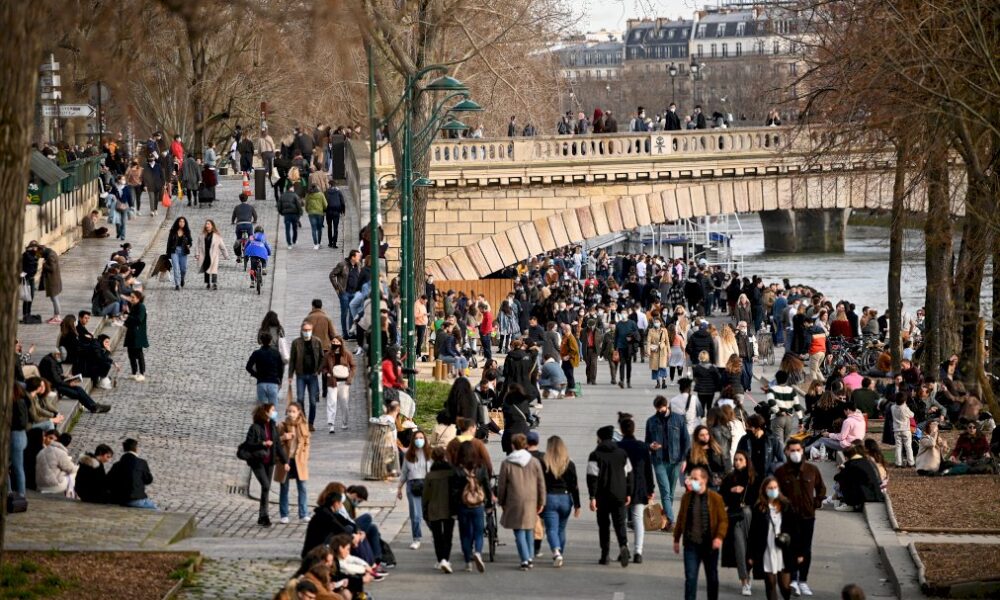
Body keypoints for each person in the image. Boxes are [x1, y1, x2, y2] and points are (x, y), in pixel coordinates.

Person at [774, 439, 825, 596]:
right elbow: (776, 491)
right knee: (791, 548)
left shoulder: (811, 470)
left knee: (805, 549)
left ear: (802, 451)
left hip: (807, 516)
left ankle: (803, 580)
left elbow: (821, 488)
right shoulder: (781, 472)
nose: (795, 453)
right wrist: (783, 502)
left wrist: (816, 502)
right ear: (787, 452)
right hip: (788, 517)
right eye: (792, 450)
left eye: (798, 450)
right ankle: (793, 579)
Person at [674, 465, 728, 600]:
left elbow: (723, 520)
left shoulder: (715, 498)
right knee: (690, 578)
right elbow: (680, 518)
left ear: (704, 480)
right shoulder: (686, 498)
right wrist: (676, 539)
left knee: (712, 578)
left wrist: (719, 537)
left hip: (709, 545)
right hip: (691, 545)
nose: (691, 481)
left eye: (695, 479)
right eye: (691, 478)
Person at [748, 476, 803, 600]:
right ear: (764, 490)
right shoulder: (759, 508)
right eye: (770, 488)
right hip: (767, 550)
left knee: (785, 586)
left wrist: (799, 552)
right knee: (770, 584)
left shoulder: (786, 505)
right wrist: (750, 555)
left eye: (775, 487)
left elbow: (795, 531)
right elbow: (753, 533)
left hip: (784, 550)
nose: (773, 490)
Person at [587, 425, 633, 567]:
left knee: (604, 525)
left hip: (602, 496)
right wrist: (629, 493)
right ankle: (623, 545)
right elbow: (629, 474)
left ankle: (605, 554)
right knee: (620, 523)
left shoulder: (595, 455)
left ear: (600, 438)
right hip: (619, 494)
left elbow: (592, 478)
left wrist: (592, 497)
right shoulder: (622, 453)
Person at [499, 433, 546, 571]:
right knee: (529, 528)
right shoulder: (534, 461)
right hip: (531, 499)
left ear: (513, 445)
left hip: (514, 499)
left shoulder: (507, 463)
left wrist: (501, 501)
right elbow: (541, 483)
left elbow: (502, 485)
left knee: (518, 530)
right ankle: (529, 556)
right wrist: (542, 501)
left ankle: (525, 559)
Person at [647, 394, 691, 529]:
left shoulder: (678, 419)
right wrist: (651, 445)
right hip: (658, 460)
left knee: (670, 492)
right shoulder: (651, 421)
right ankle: (672, 520)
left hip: (676, 461)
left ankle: (666, 521)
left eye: (662, 409)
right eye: (657, 409)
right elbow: (647, 441)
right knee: (665, 491)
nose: (660, 411)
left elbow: (686, 441)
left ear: (667, 406)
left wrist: (684, 459)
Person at [242, 403, 288, 526]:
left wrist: (285, 461)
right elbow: (248, 444)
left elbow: (277, 445)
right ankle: (265, 515)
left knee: (265, 489)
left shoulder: (273, 426)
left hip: (270, 462)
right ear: (266, 412)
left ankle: (262, 516)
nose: (274, 412)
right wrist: (262, 443)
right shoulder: (255, 427)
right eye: (272, 410)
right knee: (266, 485)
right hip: (257, 462)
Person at [538, 435, 580, 568]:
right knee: (561, 529)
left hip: (550, 497)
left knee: (551, 529)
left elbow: (540, 484)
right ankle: (560, 552)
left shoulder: (544, 463)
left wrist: (539, 501)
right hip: (565, 498)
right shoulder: (569, 463)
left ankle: (556, 552)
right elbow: (574, 486)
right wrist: (577, 505)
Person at [617, 418, 654, 563]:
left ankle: (624, 548)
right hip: (639, 486)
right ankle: (638, 551)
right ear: (634, 429)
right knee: (638, 519)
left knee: (622, 520)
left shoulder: (618, 446)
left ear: (621, 430)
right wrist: (650, 488)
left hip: (621, 486)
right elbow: (648, 469)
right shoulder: (642, 447)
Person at [721, 450, 755, 596]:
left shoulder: (753, 478)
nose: (737, 462)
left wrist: (743, 492)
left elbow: (757, 499)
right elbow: (722, 497)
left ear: (747, 461)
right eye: (735, 459)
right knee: (740, 548)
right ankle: (744, 581)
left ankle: (748, 574)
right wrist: (732, 491)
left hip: (752, 520)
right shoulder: (729, 478)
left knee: (750, 549)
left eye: (740, 459)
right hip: (735, 518)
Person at [455, 440, 491, 573]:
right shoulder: (481, 467)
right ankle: (478, 552)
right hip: (478, 504)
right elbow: (486, 485)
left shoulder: (457, 469)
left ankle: (468, 562)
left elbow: (453, 490)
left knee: (465, 534)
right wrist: (489, 503)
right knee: (478, 532)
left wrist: (453, 507)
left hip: (463, 505)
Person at [423, 446, 458, 573]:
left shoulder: (430, 475)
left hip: (433, 508)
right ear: (445, 457)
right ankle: (445, 559)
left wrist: (425, 510)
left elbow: (425, 495)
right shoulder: (451, 473)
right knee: (448, 536)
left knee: (437, 536)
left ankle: (440, 559)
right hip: (449, 508)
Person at [276, 402, 311, 524]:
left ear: (299, 412)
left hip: (299, 460)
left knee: (302, 487)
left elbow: (307, 442)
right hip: (286, 460)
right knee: (284, 487)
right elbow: (275, 443)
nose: (291, 414)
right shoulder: (282, 425)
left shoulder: (304, 425)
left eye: (293, 411)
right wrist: (283, 437)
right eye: (289, 411)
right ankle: (284, 514)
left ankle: (304, 513)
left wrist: (305, 457)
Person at [398, 430, 431, 550]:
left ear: (425, 439)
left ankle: (437, 533)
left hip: (427, 485)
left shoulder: (429, 453)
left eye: (421, 438)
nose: (419, 440)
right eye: (416, 438)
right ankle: (416, 538)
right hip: (412, 485)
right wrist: (399, 488)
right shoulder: (408, 455)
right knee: (415, 515)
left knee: (429, 514)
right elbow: (404, 473)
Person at [290, 322, 324, 431]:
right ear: (301, 330)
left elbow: (322, 357)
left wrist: (319, 370)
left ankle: (311, 423)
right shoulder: (296, 343)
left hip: (313, 375)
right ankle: (303, 420)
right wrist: (290, 375)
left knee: (313, 401)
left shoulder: (317, 341)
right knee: (300, 399)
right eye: (305, 330)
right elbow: (292, 360)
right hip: (300, 375)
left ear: (312, 330)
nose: (307, 332)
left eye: (308, 330)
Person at [108, 438, 156, 509]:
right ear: (136, 448)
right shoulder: (142, 463)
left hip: (120, 499)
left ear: (124, 449)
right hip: (136, 499)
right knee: (157, 510)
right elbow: (148, 480)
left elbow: (108, 481)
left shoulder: (117, 464)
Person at [833, 444, 883, 511]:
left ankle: (850, 504)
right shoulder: (865, 461)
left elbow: (837, 477)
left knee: (843, 480)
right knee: (850, 478)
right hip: (874, 493)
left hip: (866, 495)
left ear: (847, 456)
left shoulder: (851, 464)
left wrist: (842, 469)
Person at [322, 336, 355, 433]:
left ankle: (345, 422)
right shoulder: (328, 355)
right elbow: (324, 367)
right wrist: (326, 373)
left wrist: (350, 377)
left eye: (337, 342)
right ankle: (331, 424)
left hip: (344, 382)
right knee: (332, 402)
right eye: (333, 342)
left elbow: (353, 366)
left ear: (341, 343)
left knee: (344, 403)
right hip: (332, 381)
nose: (335, 344)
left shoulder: (347, 354)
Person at [737, 414, 785, 478]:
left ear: (758, 428)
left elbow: (782, 460)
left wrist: (772, 469)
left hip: (766, 477)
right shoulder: (744, 439)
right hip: (750, 476)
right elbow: (738, 455)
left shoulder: (772, 439)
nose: (747, 429)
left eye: (750, 427)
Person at [330, 251, 365, 338]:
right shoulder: (342, 265)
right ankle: (345, 333)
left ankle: (351, 332)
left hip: (355, 293)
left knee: (352, 313)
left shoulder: (359, 265)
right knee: (344, 313)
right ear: (353, 257)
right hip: (344, 293)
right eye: (358, 256)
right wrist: (337, 288)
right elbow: (332, 275)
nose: (359, 258)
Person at [35, 429, 77, 495]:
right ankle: (70, 495)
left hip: (40, 485)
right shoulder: (60, 452)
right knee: (72, 474)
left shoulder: (43, 450)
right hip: (51, 486)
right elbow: (71, 469)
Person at [247, 332, 284, 405]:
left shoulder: (256, 353)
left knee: (262, 408)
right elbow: (280, 368)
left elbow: (248, 367)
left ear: (261, 341)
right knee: (273, 408)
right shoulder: (276, 353)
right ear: (270, 341)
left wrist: (256, 375)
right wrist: (280, 379)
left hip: (261, 382)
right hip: (273, 382)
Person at [767, 370, 803, 444]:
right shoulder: (791, 390)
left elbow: (771, 402)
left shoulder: (772, 390)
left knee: (778, 442)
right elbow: (797, 406)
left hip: (777, 418)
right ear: (786, 379)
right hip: (789, 418)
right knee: (786, 442)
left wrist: (778, 412)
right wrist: (800, 421)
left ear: (776, 379)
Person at [194, 219, 228, 291]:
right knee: (206, 268)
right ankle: (208, 283)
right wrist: (197, 254)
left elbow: (222, 246)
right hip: (205, 254)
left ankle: (214, 283)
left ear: (212, 226)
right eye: (206, 224)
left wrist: (226, 255)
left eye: (209, 224)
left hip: (214, 255)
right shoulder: (201, 235)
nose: (207, 225)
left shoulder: (217, 236)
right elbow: (197, 245)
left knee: (214, 269)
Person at [123, 290, 148, 381]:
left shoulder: (141, 307)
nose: (131, 299)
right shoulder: (133, 306)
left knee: (138, 353)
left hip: (138, 333)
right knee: (131, 353)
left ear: (138, 298)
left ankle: (142, 373)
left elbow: (139, 319)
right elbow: (129, 319)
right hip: (131, 333)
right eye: (131, 297)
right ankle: (134, 372)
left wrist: (128, 317)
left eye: (133, 297)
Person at [166, 217, 193, 291]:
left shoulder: (187, 231)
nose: (182, 223)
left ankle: (182, 278)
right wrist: (168, 253)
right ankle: (177, 284)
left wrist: (189, 245)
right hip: (174, 251)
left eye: (183, 222)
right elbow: (169, 243)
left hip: (183, 251)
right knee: (176, 268)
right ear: (177, 222)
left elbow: (190, 242)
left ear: (185, 223)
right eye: (180, 221)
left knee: (183, 269)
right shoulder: (173, 231)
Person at [38, 245, 63, 324]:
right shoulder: (49, 254)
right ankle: (55, 316)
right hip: (53, 281)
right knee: (54, 299)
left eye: (40, 254)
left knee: (55, 299)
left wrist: (44, 265)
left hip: (53, 281)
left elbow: (52, 268)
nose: (40, 256)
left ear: (42, 250)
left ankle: (57, 317)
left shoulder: (50, 256)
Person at [890, 393, 915, 468]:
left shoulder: (892, 407)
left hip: (897, 430)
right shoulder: (905, 408)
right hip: (906, 430)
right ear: (904, 401)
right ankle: (911, 462)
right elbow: (912, 415)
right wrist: (906, 405)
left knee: (898, 447)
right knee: (908, 446)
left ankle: (898, 463)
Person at [615, 312, 639, 388]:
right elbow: (616, 336)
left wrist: (631, 337)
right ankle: (621, 380)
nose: (623, 314)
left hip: (629, 347)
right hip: (621, 347)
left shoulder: (632, 323)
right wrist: (615, 347)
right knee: (622, 364)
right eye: (622, 313)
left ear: (627, 314)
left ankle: (628, 381)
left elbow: (637, 334)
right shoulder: (618, 324)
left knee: (628, 365)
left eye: (625, 313)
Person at [303, 184, 327, 250]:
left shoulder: (308, 195)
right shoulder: (321, 194)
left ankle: (315, 244)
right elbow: (325, 204)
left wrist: (308, 211)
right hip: (320, 213)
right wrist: (323, 209)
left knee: (313, 229)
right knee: (319, 229)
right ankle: (319, 243)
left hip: (311, 213)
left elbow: (306, 205)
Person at [324, 183, 346, 248]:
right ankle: (334, 243)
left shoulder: (326, 192)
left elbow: (324, 202)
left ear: (329, 185)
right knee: (335, 228)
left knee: (329, 227)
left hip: (328, 211)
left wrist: (324, 210)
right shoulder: (338, 192)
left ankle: (330, 242)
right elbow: (342, 202)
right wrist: (343, 211)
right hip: (336, 211)